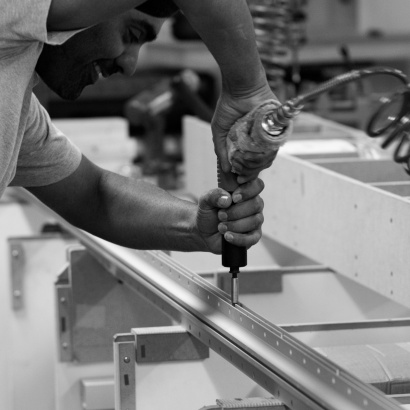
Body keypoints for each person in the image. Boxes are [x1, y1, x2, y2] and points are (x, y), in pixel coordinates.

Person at [0, 0, 279, 254]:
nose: (130, 64)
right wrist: (247, 87)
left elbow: (95, 198)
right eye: (132, 35)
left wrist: (196, 227)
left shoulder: (17, 106)